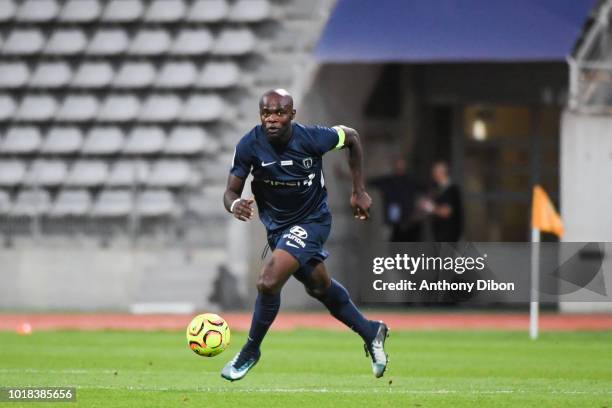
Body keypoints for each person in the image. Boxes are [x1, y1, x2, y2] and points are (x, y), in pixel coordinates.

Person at [221, 89, 389, 381]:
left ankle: (251, 350)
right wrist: (235, 204)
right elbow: (230, 191)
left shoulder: (312, 138)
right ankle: (370, 330)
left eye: (279, 113)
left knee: (268, 280)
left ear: (292, 115)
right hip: (278, 230)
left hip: (313, 221)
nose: (272, 119)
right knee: (319, 286)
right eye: (266, 113)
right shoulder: (249, 145)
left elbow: (352, 137)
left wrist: (358, 190)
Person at [369, 156, 423, 242]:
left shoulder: (411, 181)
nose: (400, 167)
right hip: (393, 224)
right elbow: (368, 181)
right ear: (395, 166)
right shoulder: (388, 181)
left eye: (402, 165)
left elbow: (426, 190)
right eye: (398, 165)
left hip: (409, 224)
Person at [422, 161, 463, 242]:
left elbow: (446, 212)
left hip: (448, 236)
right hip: (440, 235)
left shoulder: (451, 190)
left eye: (435, 173)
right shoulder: (439, 189)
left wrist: (430, 208)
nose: (433, 175)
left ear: (441, 173)